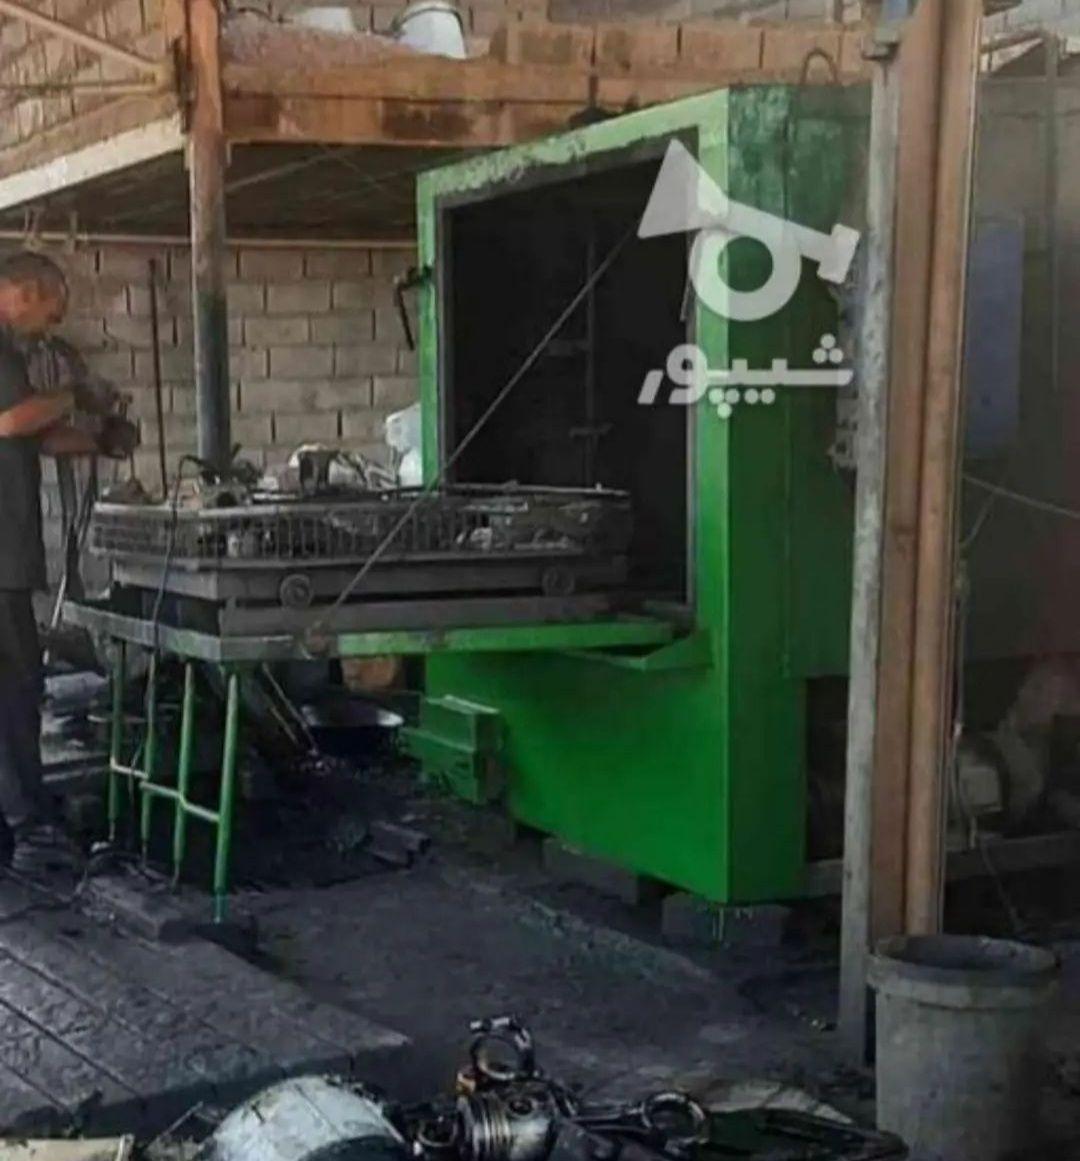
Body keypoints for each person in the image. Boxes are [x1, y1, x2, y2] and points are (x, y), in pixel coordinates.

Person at [0, 251, 137, 875]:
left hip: (10, 553)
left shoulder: (12, 357)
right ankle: (30, 831)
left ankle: (17, 823)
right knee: (12, 691)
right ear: (25, 292)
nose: (48, 330)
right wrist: (77, 392)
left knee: (19, 687)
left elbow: (38, 435)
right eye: (51, 314)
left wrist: (100, 439)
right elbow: (11, 421)